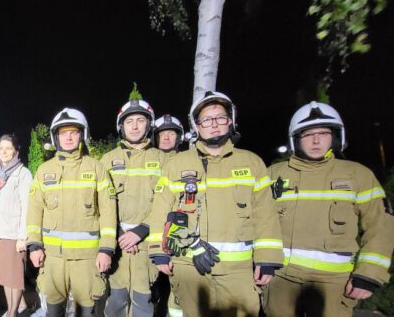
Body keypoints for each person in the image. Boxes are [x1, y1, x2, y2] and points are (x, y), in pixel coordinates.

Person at [144, 91, 284, 317]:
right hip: (188, 268)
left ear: (231, 121)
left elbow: (266, 214)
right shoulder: (177, 164)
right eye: (206, 120)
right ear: (197, 126)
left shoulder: (252, 163)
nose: (214, 125)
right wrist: (159, 252)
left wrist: (267, 259)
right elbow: (161, 209)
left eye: (220, 118)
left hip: (238, 271)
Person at [264, 101, 394, 317]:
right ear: (295, 138)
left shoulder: (358, 175)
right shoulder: (273, 174)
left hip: (333, 284)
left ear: (335, 137)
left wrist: (369, 273)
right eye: (307, 134)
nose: (316, 140)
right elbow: (256, 221)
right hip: (280, 281)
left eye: (323, 133)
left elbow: (380, 225)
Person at [26, 107, 118, 316]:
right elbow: (34, 210)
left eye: (73, 132)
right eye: (63, 133)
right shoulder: (44, 170)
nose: (68, 137)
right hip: (52, 259)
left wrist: (106, 249)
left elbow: (108, 211)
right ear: (55, 137)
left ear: (82, 135)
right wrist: (34, 245)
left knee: (87, 311)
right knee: (54, 309)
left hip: (87, 259)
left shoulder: (96, 168)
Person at [100, 93, 162, 317]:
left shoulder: (164, 161)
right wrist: (119, 233)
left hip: (147, 245)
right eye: (129, 121)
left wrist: (141, 231)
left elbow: (170, 204)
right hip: (117, 244)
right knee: (115, 301)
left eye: (140, 120)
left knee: (143, 302)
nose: (134, 127)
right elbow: (101, 203)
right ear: (121, 126)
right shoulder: (106, 161)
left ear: (149, 124)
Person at [0, 134, 33, 317]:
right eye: (1, 148)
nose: (4, 152)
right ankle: (15, 308)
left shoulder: (23, 173)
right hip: (0, 233)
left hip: (15, 234)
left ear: (16, 151)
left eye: (8, 148)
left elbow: (27, 206)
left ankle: (12, 313)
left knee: (15, 278)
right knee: (6, 276)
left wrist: (23, 236)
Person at [150, 113, 186, 317]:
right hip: (152, 236)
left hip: (178, 237)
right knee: (154, 290)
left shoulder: (188, 162)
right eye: (162, 134)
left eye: (171, 133)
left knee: (177, 294)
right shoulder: (148, 162)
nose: (166, 138)